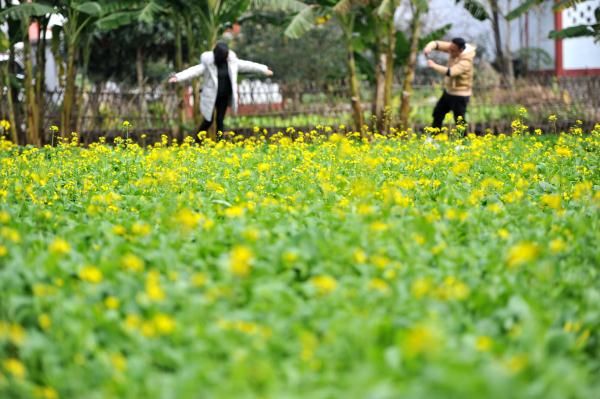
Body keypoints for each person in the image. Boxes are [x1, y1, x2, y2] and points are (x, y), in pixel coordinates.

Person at [168, 43, 273, 136]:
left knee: (220, 120)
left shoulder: (232, 62)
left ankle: (220, 142)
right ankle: (197, 141)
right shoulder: (208, 64)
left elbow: (248, 65)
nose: (227, 57)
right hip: (211, 97)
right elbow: (193, 71)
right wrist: (177, 77)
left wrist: (264, 69)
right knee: (208, 121)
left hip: (224, 96)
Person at [423, 38, 477, 129]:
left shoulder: (466, 62)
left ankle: (462, 141)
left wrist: (434, 66)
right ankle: (434, 137)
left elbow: (450, 72)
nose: (449, 51)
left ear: (460, 50)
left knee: (459, 120)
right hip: (449, 92)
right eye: (449, 48)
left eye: (452, 50)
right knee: (437, 113)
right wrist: (429, 47)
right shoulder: (453, 47)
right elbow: (437, 44)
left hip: (460, 95)